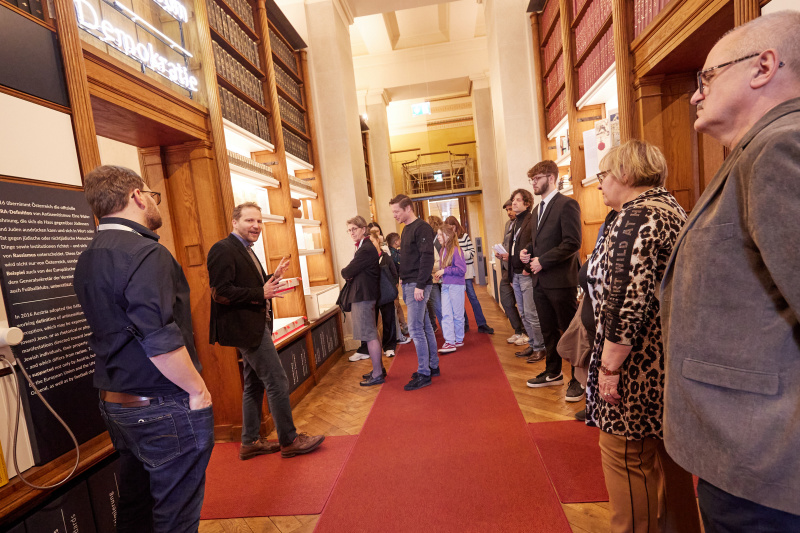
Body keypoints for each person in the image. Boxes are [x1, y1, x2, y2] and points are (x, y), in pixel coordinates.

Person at [661, 12, 800, 529]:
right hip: (746, 453)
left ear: (763, 66)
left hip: (766, 460)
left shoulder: (781, 147)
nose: (696, 95)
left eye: (708, 78)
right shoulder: (753, 152)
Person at [74, 165, 214, 533]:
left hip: (114, 402)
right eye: (153, 194)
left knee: (135, 505)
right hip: (160, 404)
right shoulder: (146, 253)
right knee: (175, 513)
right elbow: (158, 337)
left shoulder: (89, 256)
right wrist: (197, 390)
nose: (155, 202)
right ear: (137, 196)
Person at [584, 141, 701, 533]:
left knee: (625, 457)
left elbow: (625, 300)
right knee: (670, 456)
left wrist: (609, 367)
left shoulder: (637, 217)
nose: (600, 185)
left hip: (638, 361)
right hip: (665, 352)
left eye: (604, 175)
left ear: (627, 174)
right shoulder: (668, 206)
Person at [207, 202, 324, 459]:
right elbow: (220, 292)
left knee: (254, 384)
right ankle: (289, 440)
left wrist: (271, 278)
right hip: (246, 329)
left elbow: (248, 287)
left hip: (256, 325)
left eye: (259, 221)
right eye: (250, 221)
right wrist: (261, 292)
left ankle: (250, 442)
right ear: (234, 222)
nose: (256, 226)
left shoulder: (245, 249)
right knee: (277, 380)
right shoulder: (223, 249)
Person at [520, 160, 582, 401]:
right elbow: (538, 242)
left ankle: (578, 379)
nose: (533, 183)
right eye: (532, 180)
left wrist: (543, 261)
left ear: (552, 178)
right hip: (540, 281)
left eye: (537, 178)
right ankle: (553, 372)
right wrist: (527, 251)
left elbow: (572, 242)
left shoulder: (567, 204)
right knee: (548, 331)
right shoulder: (537, 209)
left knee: (569, 330)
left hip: (560, 280)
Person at [390, 194, 439, 391]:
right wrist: (403, 275)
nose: (394, 215)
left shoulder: (422, 227)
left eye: (396, 211)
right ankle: (432, 366)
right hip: (410, 282)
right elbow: (410, 257)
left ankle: (424, 372)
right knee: (426, 327)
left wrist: (419, 285)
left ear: (408, 208)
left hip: (417, 286)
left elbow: (427, 258)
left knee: (416, 329)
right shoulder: (407, 228)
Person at [339, 216, 384, 386]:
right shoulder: (364, 247)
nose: (351, 232)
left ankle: (378, 373)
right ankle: (378, 368)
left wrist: (347, 271)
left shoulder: (365, 248)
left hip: (364, 296)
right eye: (349, 230)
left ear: (363, 229)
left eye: (354, 229)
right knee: (371, 332)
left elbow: (347, 271)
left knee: (370, 334)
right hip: (365, 295)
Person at [506, 189, 546, 362]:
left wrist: (527, 269)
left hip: (525, 273)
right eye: (513, 200)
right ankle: (532, 343)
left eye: (517, 200)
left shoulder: (531, 220)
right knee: (523, 313)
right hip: (515, 274)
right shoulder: (515, 222)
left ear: (527, 203)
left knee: (531, 313)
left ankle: (540, 347)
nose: (513, 203)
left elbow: (534, 245)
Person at [444, 216, 494, 334]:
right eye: (449, 228)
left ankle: (482, 324)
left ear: (456, 225)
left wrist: (458, 254)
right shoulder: (448, 240)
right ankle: (464, 324)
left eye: (453, 227)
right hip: (455, 274)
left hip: (466, 273)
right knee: (458, 300)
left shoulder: (464, 236)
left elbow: (471, 253)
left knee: (473, 298)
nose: (451, 229)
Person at [495, 200, 527, 346]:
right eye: (507, 210)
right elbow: (506, 243)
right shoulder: (508, 224)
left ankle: (527, 334)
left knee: (523, 305)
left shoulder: (525, 223)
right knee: (506, 301)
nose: (509, 212)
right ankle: (518, 330)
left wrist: (511, 256)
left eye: (510, 209)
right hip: (507, 269)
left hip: (519, 269)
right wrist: (501, 253)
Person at [434, 225, 466, 353]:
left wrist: (444, 271)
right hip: (446, 285)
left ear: (447, 235)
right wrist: (441, 275)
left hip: (456, 285)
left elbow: (462, 270)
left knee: (457, 314)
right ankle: (450, 341)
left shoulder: (456, 250)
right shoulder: (442, 250)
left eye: (440, 235)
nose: (438, 237)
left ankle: (458, 338)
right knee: (446, 313)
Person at [386, 232, 410, 339]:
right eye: (399, 239)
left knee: (398, 305)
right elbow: (402, 266)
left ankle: (404, 326)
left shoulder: (394, 252)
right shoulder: (394, 254)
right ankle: (402, 327)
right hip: (393, 282)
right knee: (396, 304)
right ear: (396, 242)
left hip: (394, 281)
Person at [426, 215, 444, 332]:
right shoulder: (429, 239)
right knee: (434, 304)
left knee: (438, 305)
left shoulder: (436, 240)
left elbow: (439, 260)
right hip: (433, 276)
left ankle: (448, 332)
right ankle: (434, 326)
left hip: (439, 274)